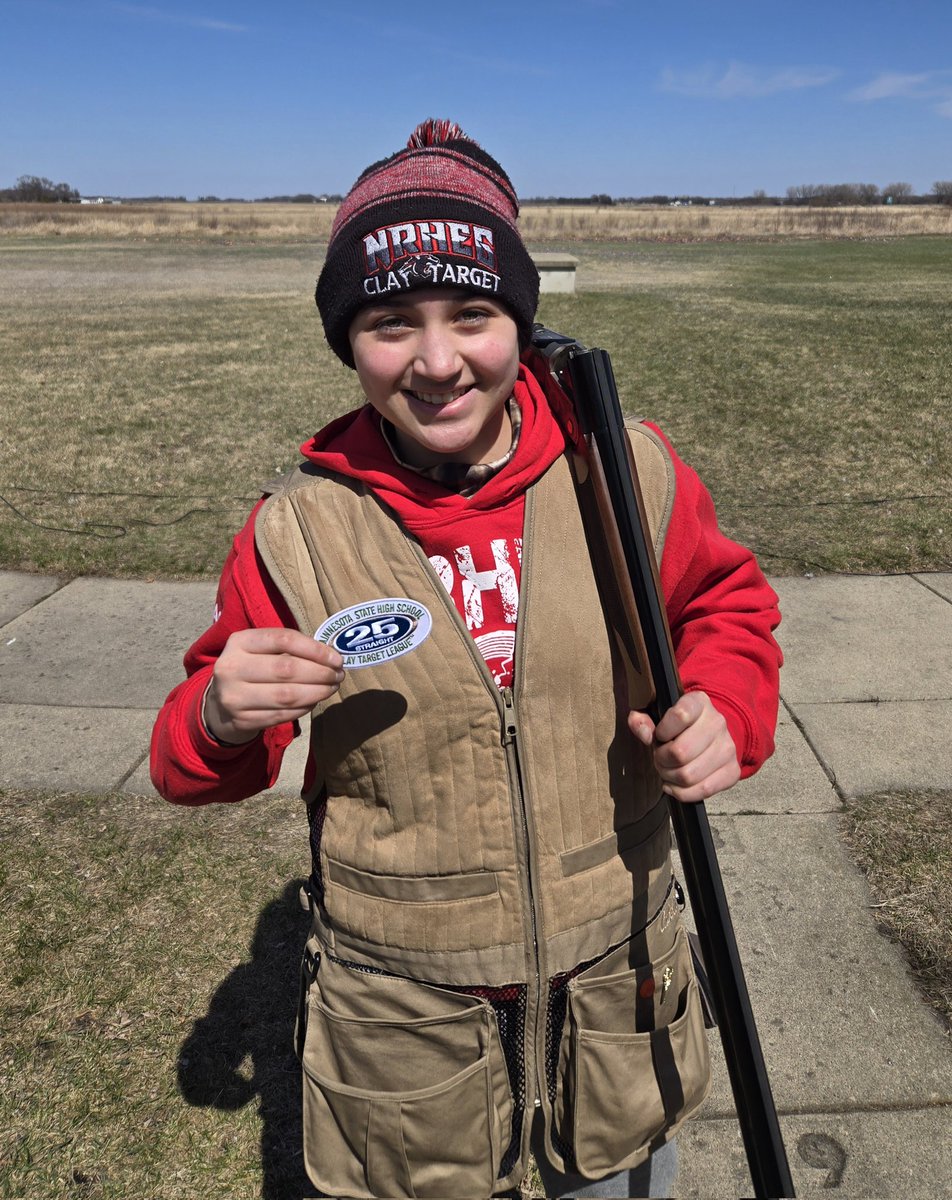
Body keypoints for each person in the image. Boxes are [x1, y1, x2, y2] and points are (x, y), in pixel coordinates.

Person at [151, 118, 782, 1199]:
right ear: (348, 341)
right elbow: (188, 763)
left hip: (613, 981)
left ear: (521, 325)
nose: (437, 361)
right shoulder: (295, 533)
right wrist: (219, 714)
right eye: (392, 323)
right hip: (405, 1021)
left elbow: (727, 609)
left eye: (472, 316)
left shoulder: (624, 474)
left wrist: (726, 702)